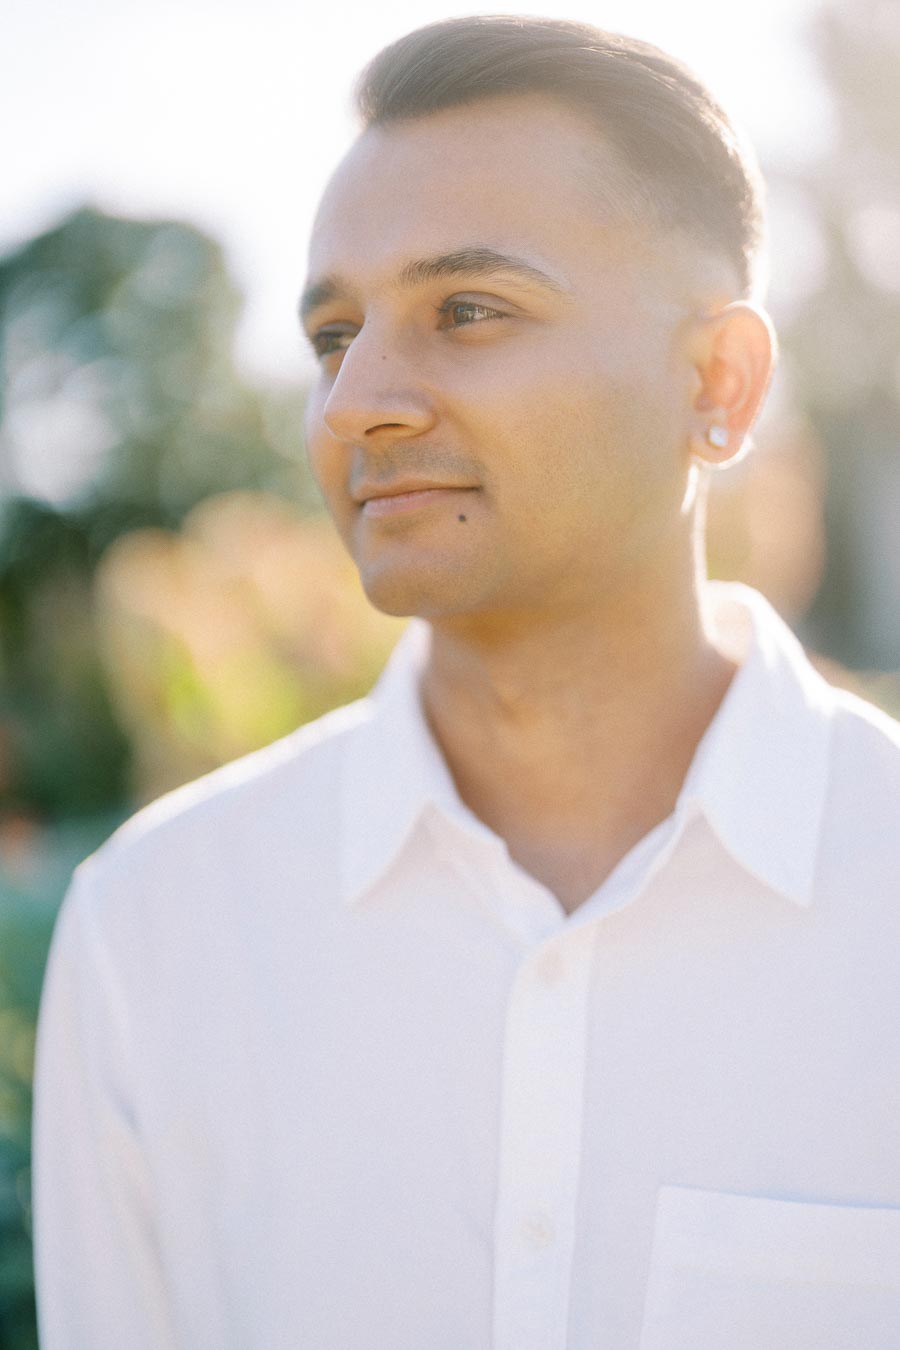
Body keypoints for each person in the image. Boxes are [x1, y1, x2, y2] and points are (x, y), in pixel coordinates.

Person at [33, 15, 900, 1350]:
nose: (356, 402)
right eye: (335, 335)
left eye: (469, 311)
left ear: (718, 383)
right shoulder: (154, 931)